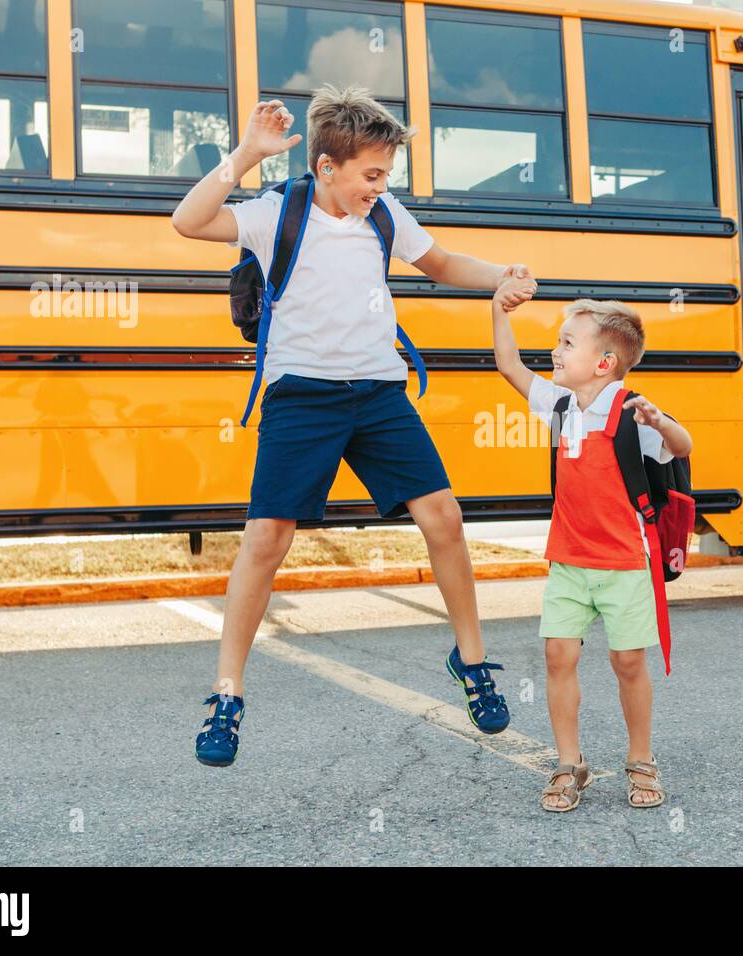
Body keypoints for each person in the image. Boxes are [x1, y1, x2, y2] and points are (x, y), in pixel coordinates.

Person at [171, 84, 536, 767]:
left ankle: (473, 662)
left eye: (385, 177)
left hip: (377, 394)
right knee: (265, 539)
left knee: (444, 518)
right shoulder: (277, 210)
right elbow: (188, 222)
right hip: (301, 396)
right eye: (371, 175)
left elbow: (442, 263)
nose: (379, 187)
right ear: (328, 166)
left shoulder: (383, 215)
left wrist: (502, 278)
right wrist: (247, 151)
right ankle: (227, 694)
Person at [489, 278, 692, 811]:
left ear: (603, 362)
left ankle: (641, 760)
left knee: (628, 662)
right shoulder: (559, 404)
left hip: (625, 563)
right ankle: (568, 762)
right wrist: (498, 310)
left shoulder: (631, 411)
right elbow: (509, 366)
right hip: (569, 561)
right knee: (558, 656)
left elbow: (684, 445)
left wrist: (661, 423)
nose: (554, 351)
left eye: (566, 343)